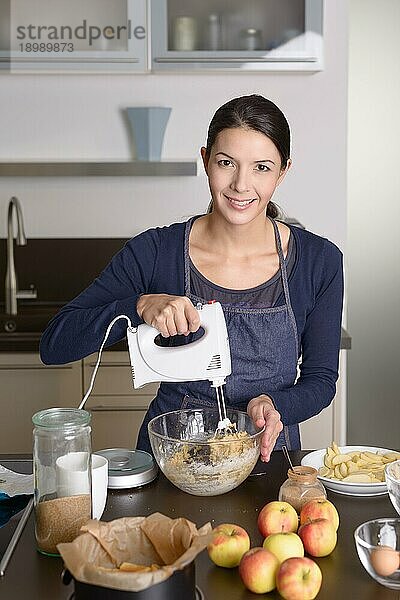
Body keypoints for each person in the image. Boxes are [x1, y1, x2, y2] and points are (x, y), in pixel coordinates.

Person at [40, 94, 343, 463]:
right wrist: (137, 306)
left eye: (261, 167)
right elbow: (55, 344)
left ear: (283, 171)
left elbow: (321, 379)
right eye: (226, 163)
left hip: (270, 461)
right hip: (171, 462)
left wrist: (277, 403)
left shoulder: (319, 261)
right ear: (205, 161)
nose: (241, 185)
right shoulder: (155, 251)